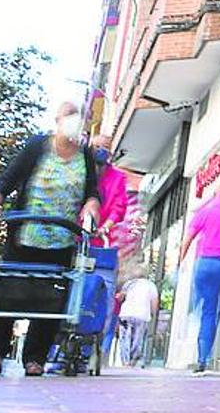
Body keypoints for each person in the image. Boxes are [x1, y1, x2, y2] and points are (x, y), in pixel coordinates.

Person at [0, 101, 101, 377]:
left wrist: (92, 205)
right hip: (25, 234)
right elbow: (9, 178)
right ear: (57, 119)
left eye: (79, 118)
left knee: (50, 300)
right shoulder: (38, 146)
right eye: (69, 116)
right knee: (10, 295)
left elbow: (92, 191)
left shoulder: (85, 155)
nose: (74, 122)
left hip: (62, 237)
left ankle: (35, 358)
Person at [179, 177, 220, 373]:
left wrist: (181, 262)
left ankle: (194, 345)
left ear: (215, 195)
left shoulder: (204, 213)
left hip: (204, 264)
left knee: (202, 307)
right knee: (213, 312)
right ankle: (203, 357)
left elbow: (188, 238)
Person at [91, 134, 128, 360]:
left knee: (103, 296)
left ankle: (91, 348)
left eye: (105, 148)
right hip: (76, 240)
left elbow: (119, 207)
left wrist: (106, 225)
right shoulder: (83, 171)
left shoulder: (117, 177)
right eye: (97, 147)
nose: (101, 151)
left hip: (103, 245)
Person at [118, 264, 159, 368]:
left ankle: (125, 361)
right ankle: (133, 360)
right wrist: (153, 314)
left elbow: (121, 297)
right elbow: (154, 302)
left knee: (125, 338)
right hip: (142, 315)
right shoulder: (151, 285)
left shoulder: (129, 284)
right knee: (138, 338)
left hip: (126, 313)